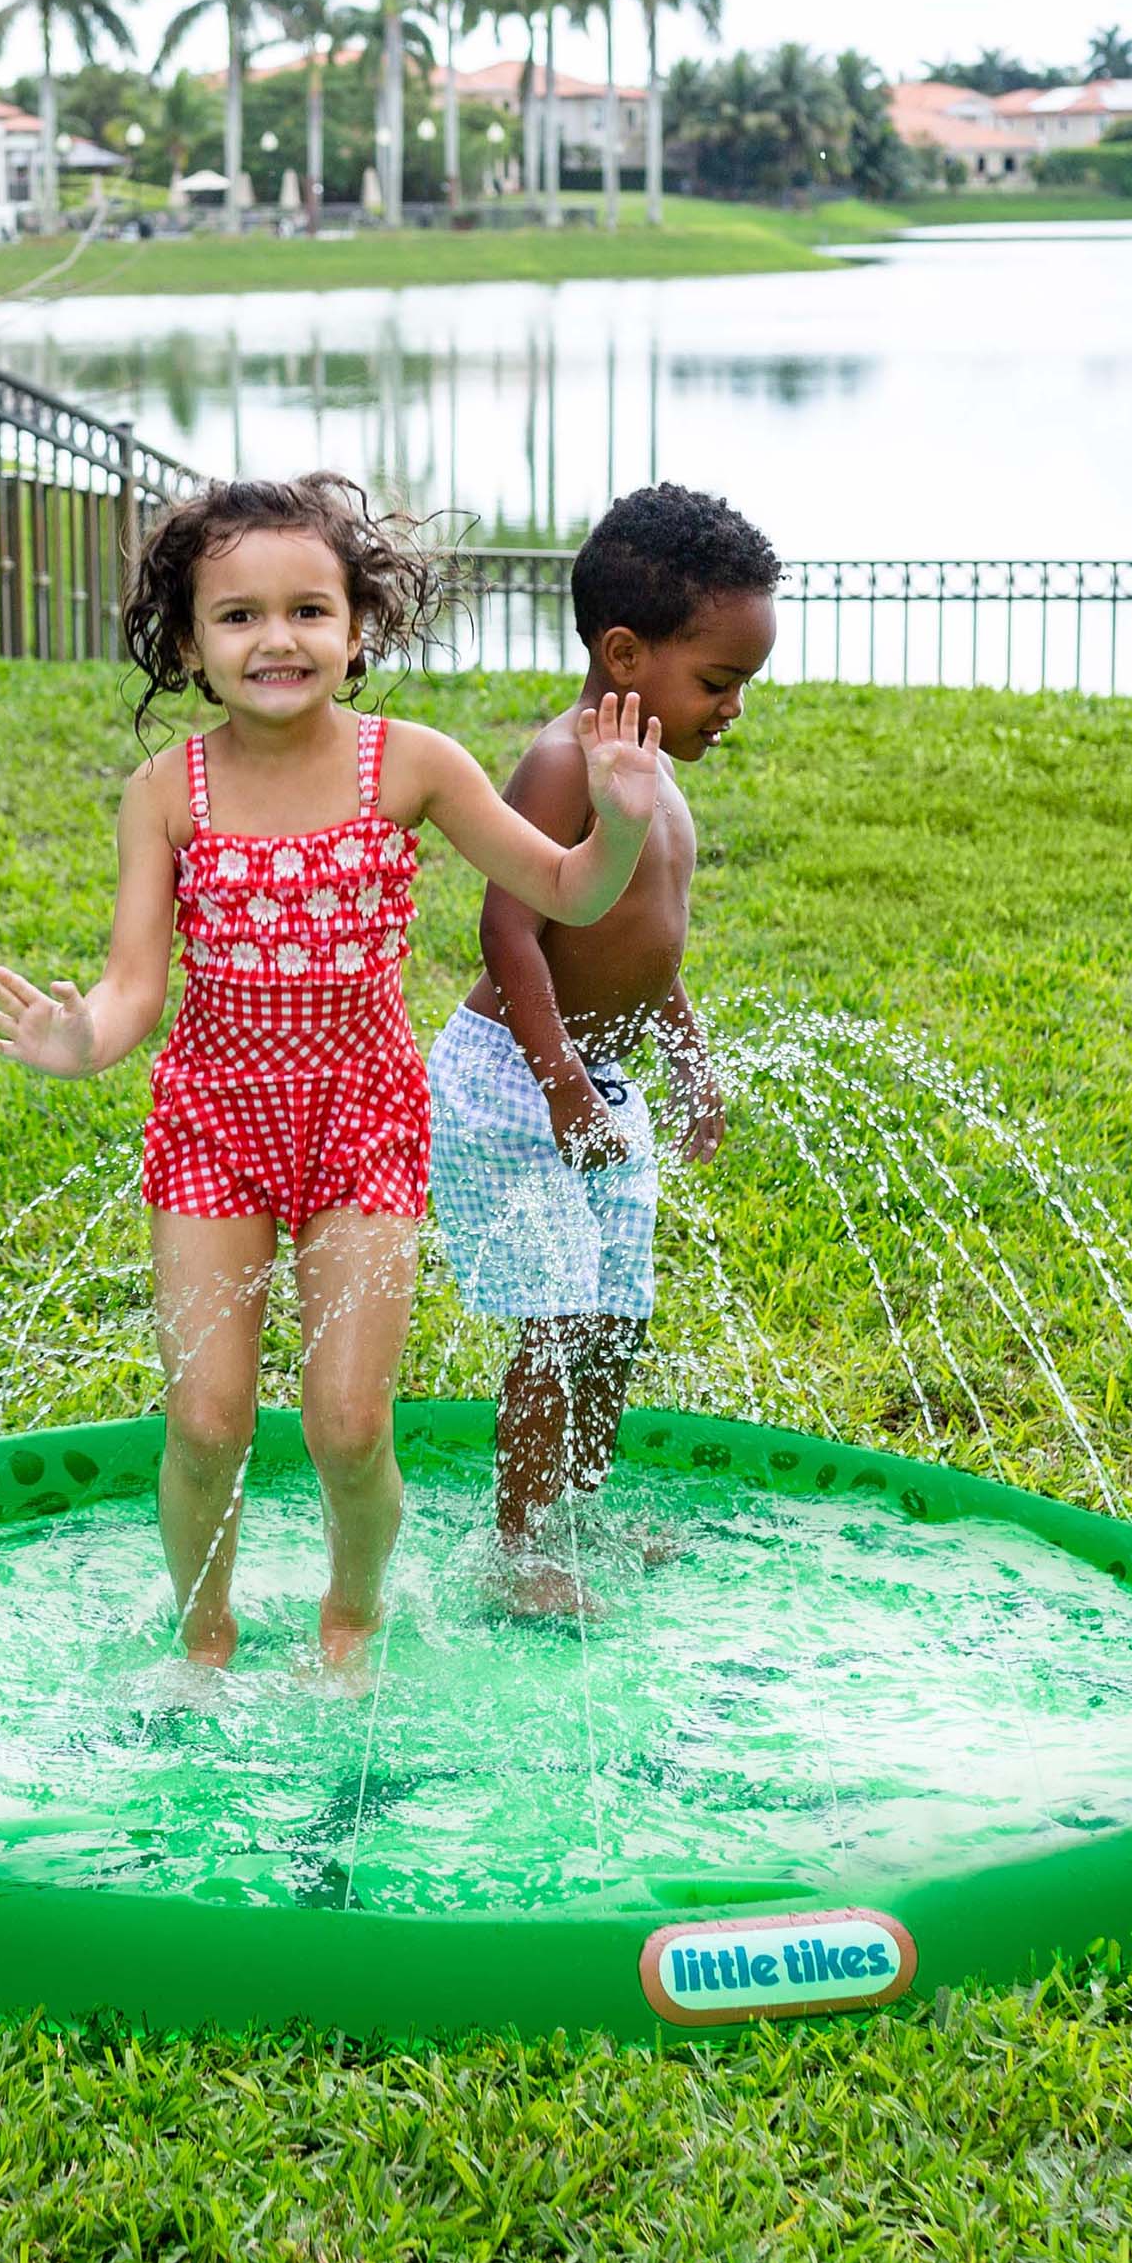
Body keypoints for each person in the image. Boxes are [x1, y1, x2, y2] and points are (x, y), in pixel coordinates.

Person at [0, 473, 667, 1670]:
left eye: (308, 611)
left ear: (357, 630)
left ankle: (352, 1614)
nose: (275, 639)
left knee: (348, 1425)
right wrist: (81, 1041)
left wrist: (616, 823)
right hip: (214, 1120)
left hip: (365, 1120)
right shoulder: (165, 795)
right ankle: (205, 1635)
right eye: (237, 616)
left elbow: (564, 890)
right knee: (205, 1421)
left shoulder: (410, 764)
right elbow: (138, 984)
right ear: (187, 642)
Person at [424, 485, 782, 1613]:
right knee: (561, 1311)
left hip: (601, 1083)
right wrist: (563, 1083)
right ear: (624, 653)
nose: (730, 709)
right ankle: (522, 1545)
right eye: (717, 682)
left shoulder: (650, 769)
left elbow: (647, 947)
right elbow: (509, 928)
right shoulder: (562, 762)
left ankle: (577, 1505)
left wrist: (691, 1060)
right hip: (518, 1080)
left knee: (616, 1317)